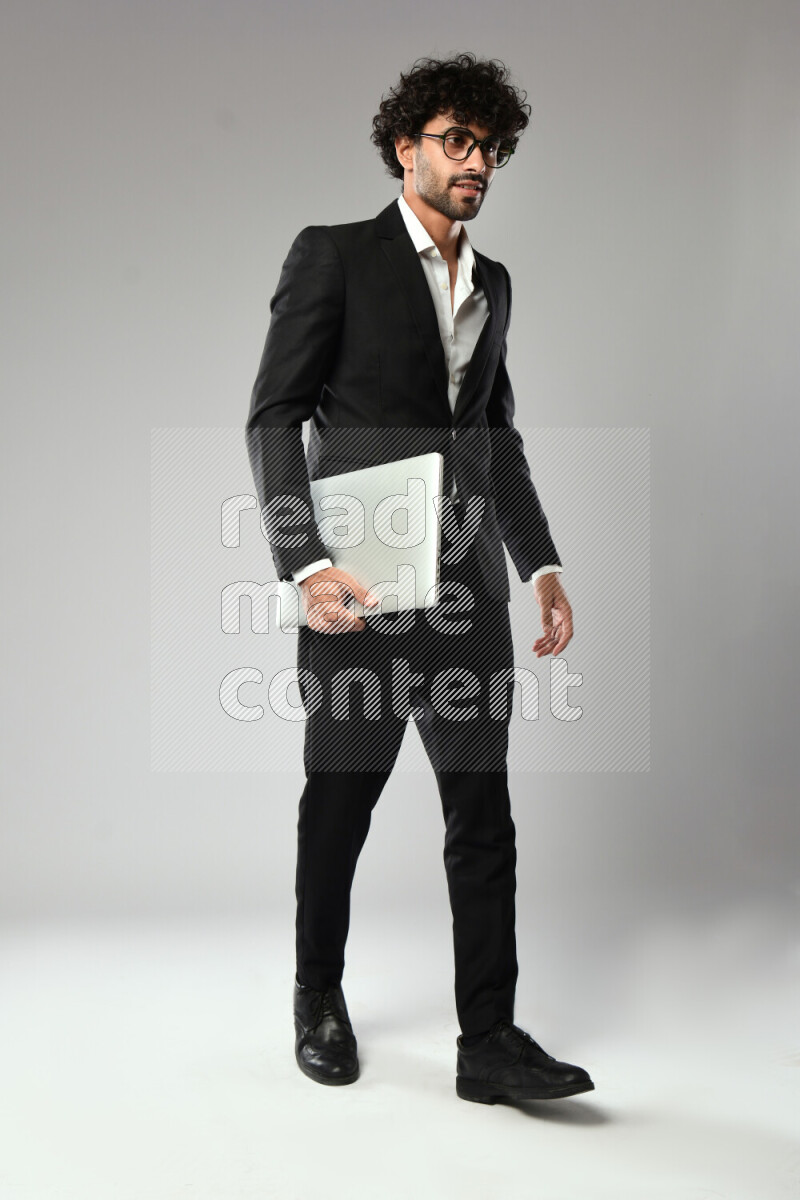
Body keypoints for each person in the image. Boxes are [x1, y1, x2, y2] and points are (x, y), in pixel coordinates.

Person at [245, 52, 594, 1105]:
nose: (473, 161)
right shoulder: (335, 256)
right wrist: (302, 563)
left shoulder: (491, 283)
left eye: (487, 146)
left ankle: (486, 1041)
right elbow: (274, 414)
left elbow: (490, 426)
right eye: (454, 140)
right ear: (405, 148)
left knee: (480, 813)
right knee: (340, 802)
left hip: (465, 587)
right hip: (355, 587)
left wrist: (538, 560)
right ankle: (316, 995)